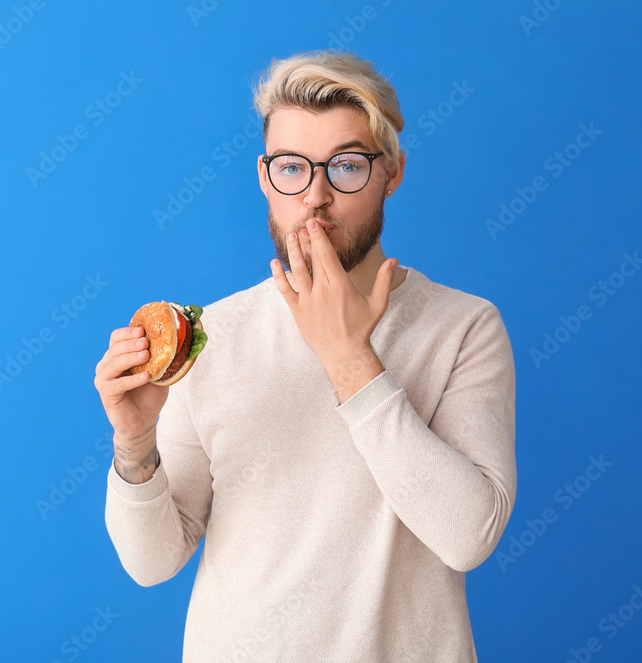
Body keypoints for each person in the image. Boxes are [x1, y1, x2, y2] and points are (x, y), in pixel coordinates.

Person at [93, 49, 517, 661]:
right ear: (266, 177)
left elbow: (468, 537)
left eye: (346, 166)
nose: (315, 196)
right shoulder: (213, 334)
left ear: (392, 172)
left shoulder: (464, 328)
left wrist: (349, 360)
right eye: (292, 168)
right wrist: (134, 444)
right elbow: (151, 563)